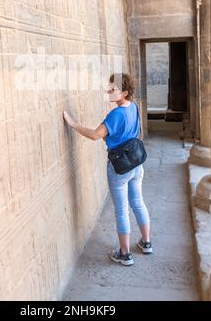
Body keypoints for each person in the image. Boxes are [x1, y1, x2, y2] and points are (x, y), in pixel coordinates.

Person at [63, 73, 152, 266]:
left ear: (125, 92)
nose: (108, 91)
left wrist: (73, 124)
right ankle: (146, 243)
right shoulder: (134, 107)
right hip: (136, 164)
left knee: (121, 210)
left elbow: (96, 135)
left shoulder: (116, 114)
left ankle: (125, 254)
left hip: (120, 167)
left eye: (113, 89)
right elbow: (132, 132)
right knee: (138, 202)